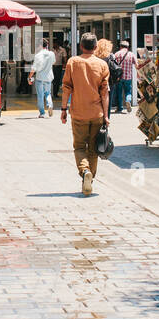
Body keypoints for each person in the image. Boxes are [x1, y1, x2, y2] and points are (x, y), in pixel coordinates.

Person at [60, 32, 110, 196]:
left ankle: (84, 171)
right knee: (93, 149)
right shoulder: (102, 65)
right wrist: (106, 115)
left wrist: (63, 109)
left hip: (79, 113)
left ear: (81, 46)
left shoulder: (73, 62)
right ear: (95, 47)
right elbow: (105, 93)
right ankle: (90, 178)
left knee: (80, 146)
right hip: (97, 113)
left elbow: (66, 88)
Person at [28, 39, 56, 118]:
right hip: (48, 77)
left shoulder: (38, 55)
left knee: (40, 95)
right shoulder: (51, 54)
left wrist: (30, 77)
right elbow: (53, 62)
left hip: (40, 77)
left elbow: (33, 68)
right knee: (48, 93)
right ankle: (50, 105)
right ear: (47, 45)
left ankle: (42, 113)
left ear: (40, 46)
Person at [95, 38, 119, 119]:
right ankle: (106, 120)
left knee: (96, 102)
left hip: (96, 82)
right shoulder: (111, 56)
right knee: (107, 102)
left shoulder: (95, 56)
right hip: (109, 81)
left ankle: (97, 119)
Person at [111, 40, 136, 113]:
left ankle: (120, 108)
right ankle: (128, 101)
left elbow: (112, 65)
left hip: (119, 77)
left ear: (120, 47)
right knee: (128, 91)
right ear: (128, 47)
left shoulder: (116, 54)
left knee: (119, 92)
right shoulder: (131, 54)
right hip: (128, 77)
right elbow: (137, 65)